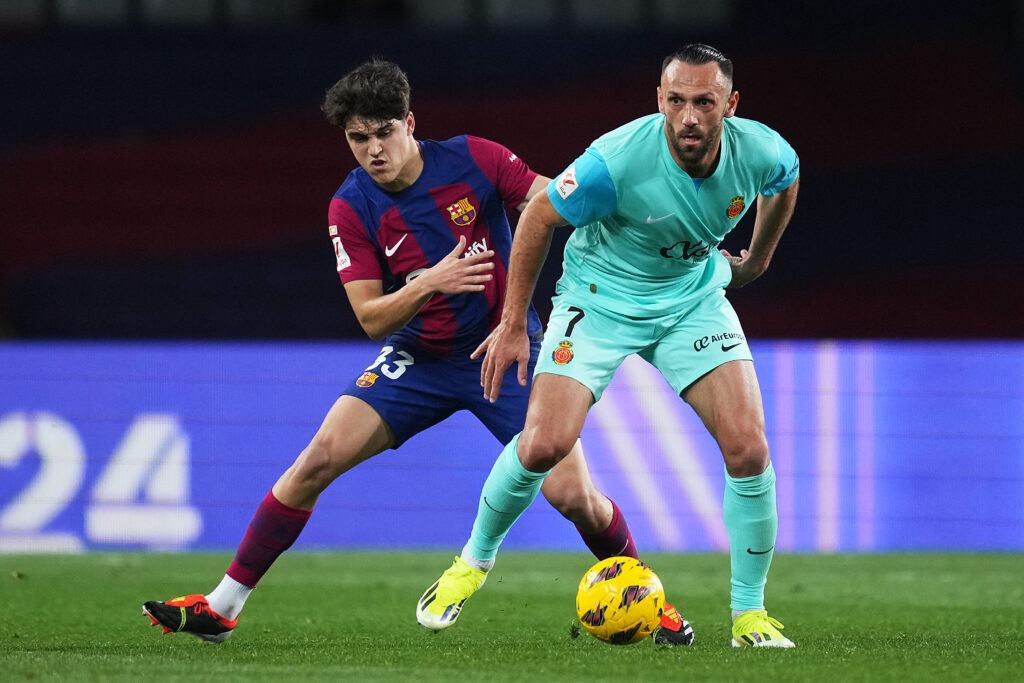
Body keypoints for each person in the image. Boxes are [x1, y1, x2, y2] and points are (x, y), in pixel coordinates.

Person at [141, 58, 691, 646]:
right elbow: (370, 317)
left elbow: (556, 204)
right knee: (318, 459)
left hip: (504, 350)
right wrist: (428, 282)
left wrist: (660, 238)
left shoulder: (476, 160)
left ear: (410, 122)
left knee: (573, 497)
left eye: (384, 133)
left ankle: (655, 607)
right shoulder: (351, 207)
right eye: (359, 139)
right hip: (419, 359)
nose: (374, 150)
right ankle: (222, 608)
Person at [417, 43, 800, 648]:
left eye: (704, 102)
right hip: (596, 301)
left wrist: (757, 259)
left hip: (689, 301)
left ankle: (749, 615)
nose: (689, 118)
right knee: (543, 444)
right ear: (659, 100)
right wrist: (515, 321)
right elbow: (539, 215)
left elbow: (787, 178)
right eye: (675, 101)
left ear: (731, 104)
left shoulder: (762, 149)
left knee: (749, 449)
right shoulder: (615, 161)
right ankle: (471, 563)